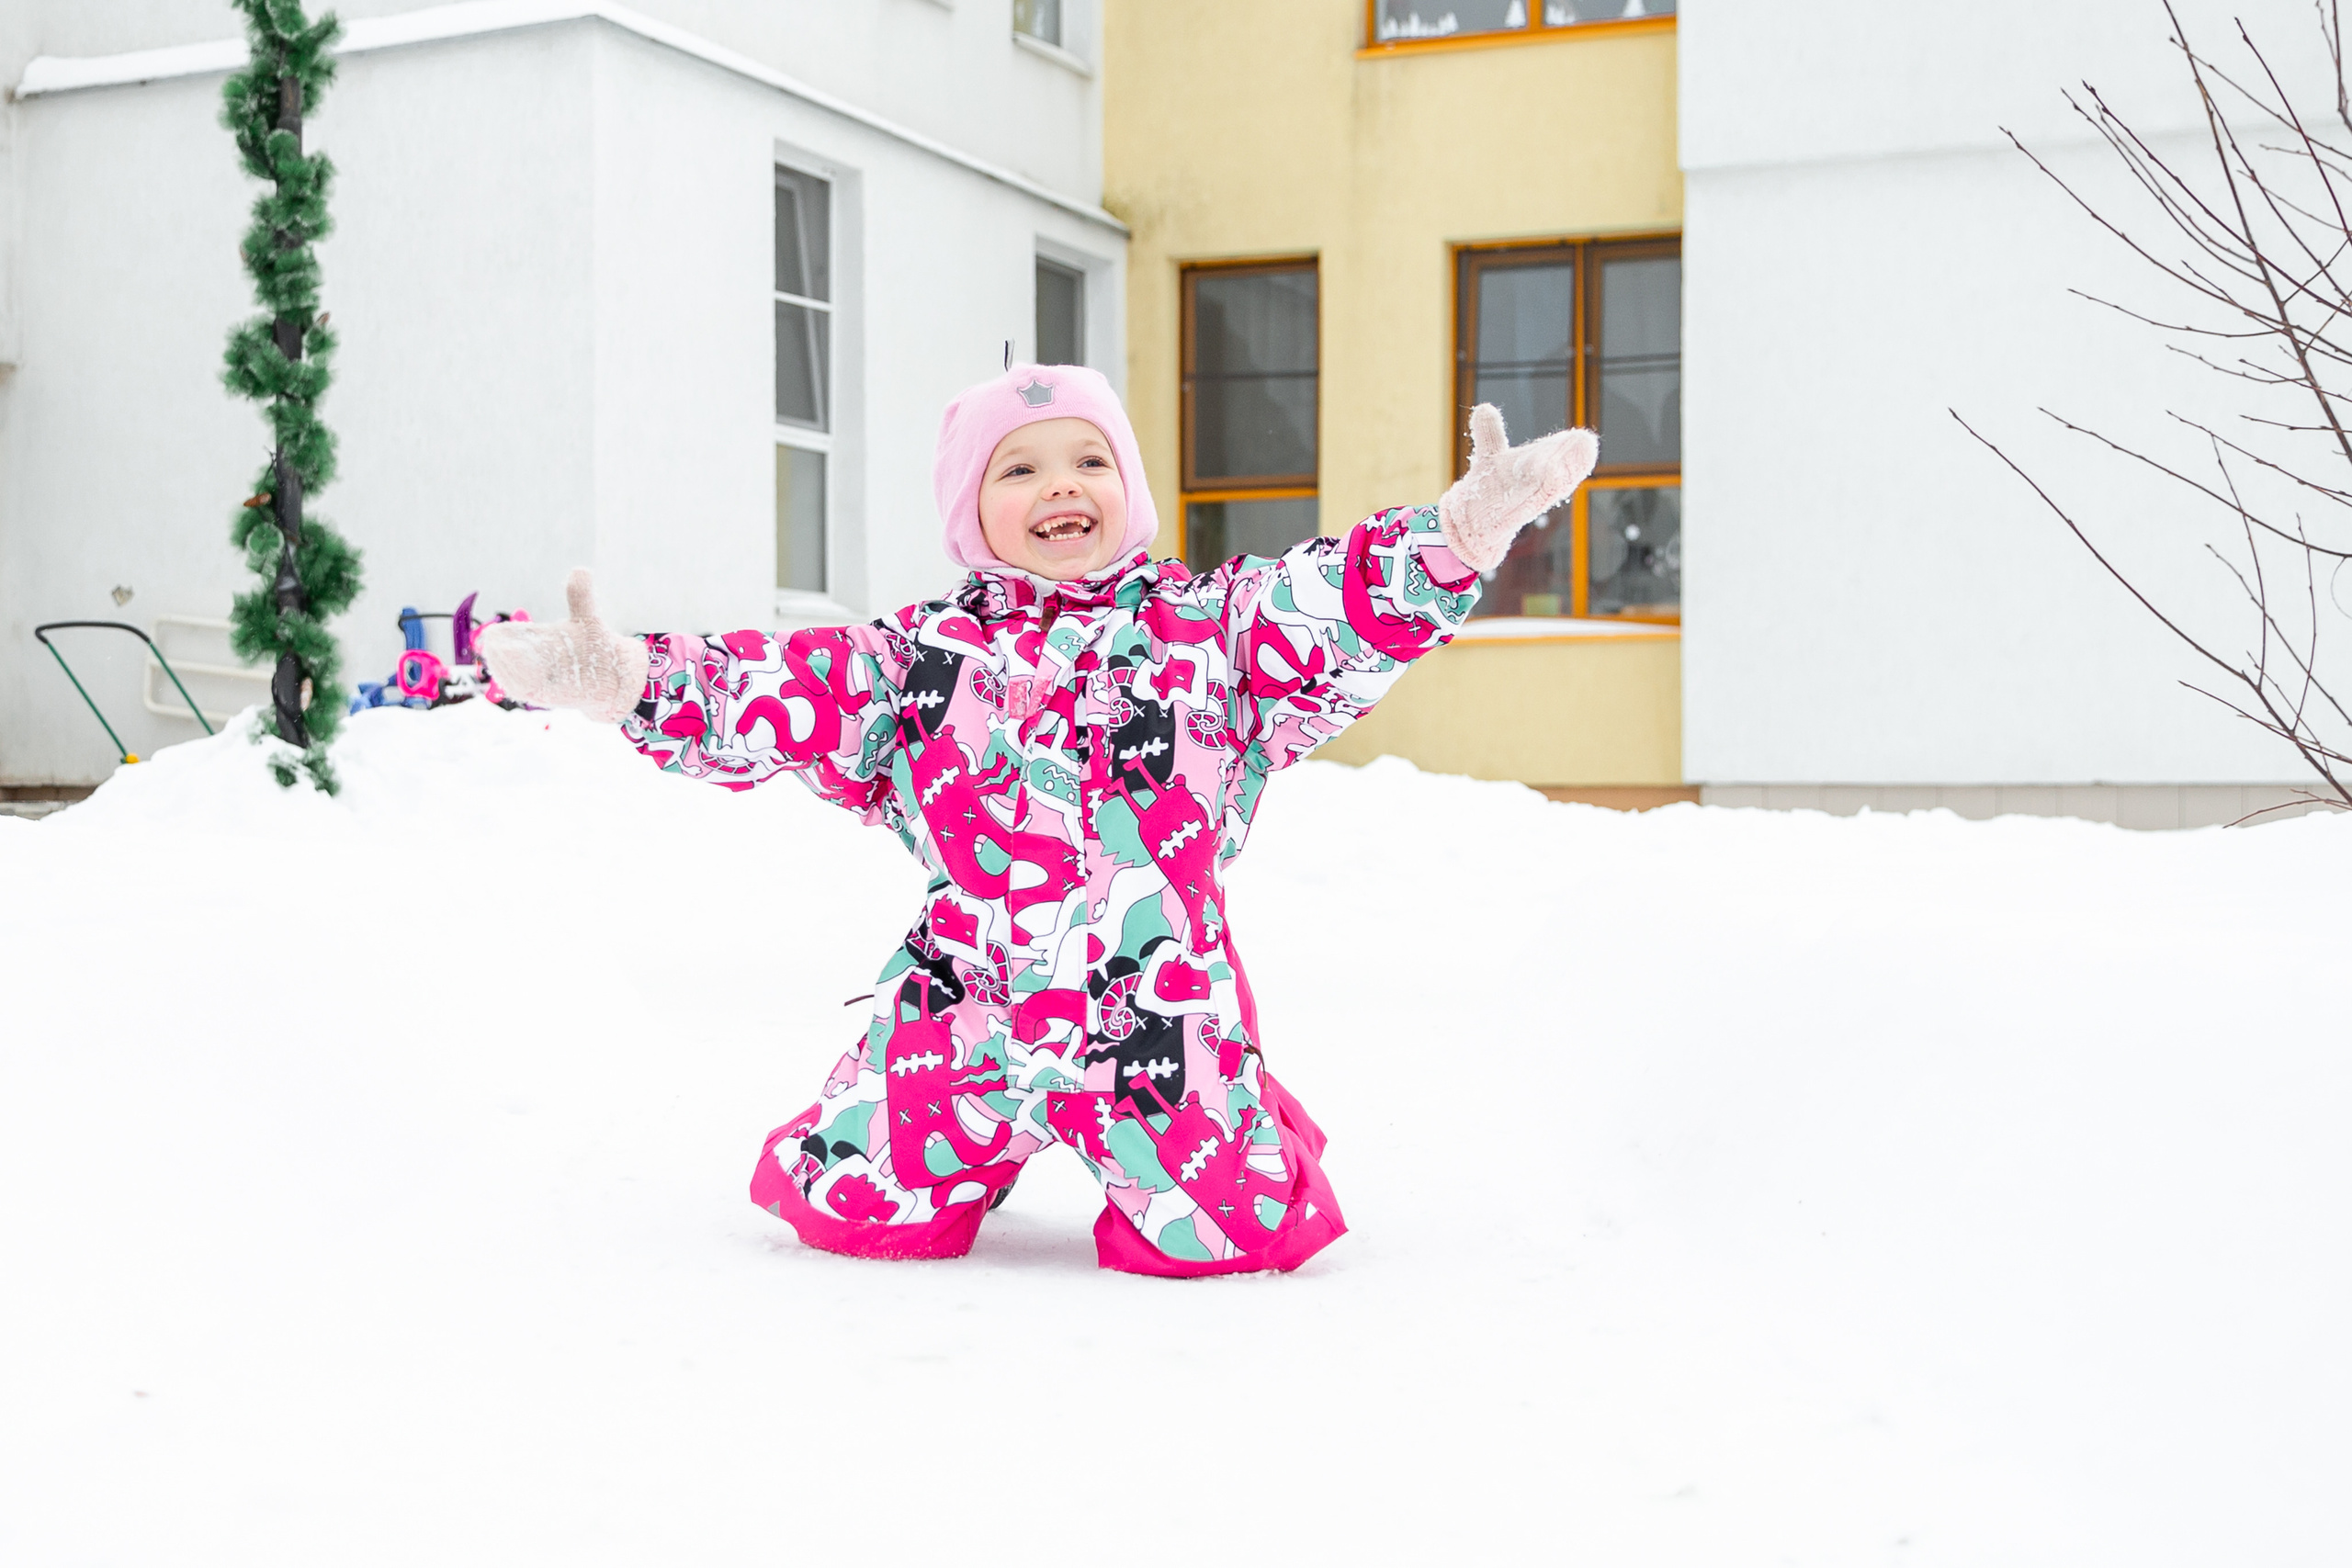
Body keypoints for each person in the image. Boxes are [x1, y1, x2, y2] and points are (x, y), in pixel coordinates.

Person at [479, 364, 1595, 1276]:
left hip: (1154, 1008)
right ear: (973, 513)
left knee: (1229, 1238)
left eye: (1089, 459)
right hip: (966, 1001)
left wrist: (1457, 532)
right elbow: (783, 685)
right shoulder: (921, 659)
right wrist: (629, 678)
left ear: (1129, 491)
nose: (1062, 484)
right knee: (857, 1216)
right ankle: (978, 1142)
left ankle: (1229, 1121)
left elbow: (1330, 600)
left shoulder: (1206, 629)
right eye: (1019, 468)